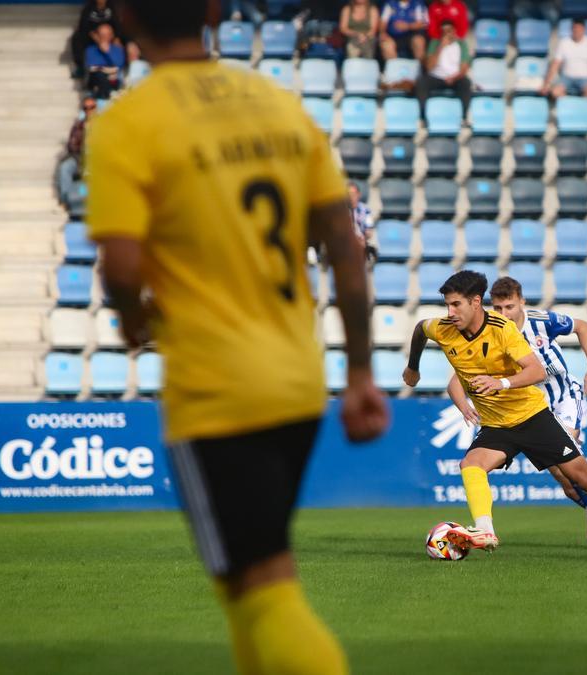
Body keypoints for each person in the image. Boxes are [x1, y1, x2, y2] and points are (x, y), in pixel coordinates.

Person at [86, 2, 391, 673]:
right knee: (243, 585)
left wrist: (135, 323)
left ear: (127, 18)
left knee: (265, 588)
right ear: (214, 13)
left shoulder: (130, 123)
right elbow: (345, 242)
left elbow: (121, 265)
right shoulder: (277, 106)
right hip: (297, 378)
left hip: (218, 385)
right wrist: (362, 371)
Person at [403, 271, 587, 559]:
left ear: (476, 302)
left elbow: (536, 370)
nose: (450, 312)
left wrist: (500, 383)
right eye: (447, 305)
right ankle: (486, 531)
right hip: (496, 425)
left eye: (456, 305)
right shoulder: (442, 328)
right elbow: (420, 329)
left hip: (532, 416)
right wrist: (413, 367)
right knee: (471, 464)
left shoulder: (502, 329)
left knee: (583, 477)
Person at [540, 19, 587, 102]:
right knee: (555, 92)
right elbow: (555, 65)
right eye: (575, 29)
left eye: (579, 29)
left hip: (585, 78)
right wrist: (546, 85)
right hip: (566, 78)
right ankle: (569, 106)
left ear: (584, 30)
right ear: (571, 29)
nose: (577, 31)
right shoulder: (564, 42)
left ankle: (580, 107)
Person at [416, 20, 472, 110]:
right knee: (422, 82)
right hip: (437, 77)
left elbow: (464, 68)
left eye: (449, 30)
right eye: (443, 31)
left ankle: (464, 117)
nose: (446, 33)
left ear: (454, 31)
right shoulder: (434, 43)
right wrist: (440, 47)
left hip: (455, 78)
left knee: (465, 82)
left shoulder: (461, 44)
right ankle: (423, 116)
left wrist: (453, 78)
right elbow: (429, 67)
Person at [58, 97, 97, 202]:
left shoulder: (103, 124)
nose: (89, 110)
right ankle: (66, 199)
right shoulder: (78, 125)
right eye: (86, 108)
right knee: (65, 168)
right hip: (80, 158)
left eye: (92, 107)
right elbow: (71, 145)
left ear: (96, 108)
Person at [71, 0, 120, 75]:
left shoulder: (111, 7)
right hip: (92, 36)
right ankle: (80, 66)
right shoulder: (88, 8)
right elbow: (83, 26)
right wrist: (96, 37)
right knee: (77, 38)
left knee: (123, 41)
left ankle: (120, 65)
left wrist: (115, 37)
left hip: (108, 35)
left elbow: (116, 24)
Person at [84, 23, 127, 98]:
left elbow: (119, 64)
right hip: (96, 79)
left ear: (111, 35)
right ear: (97, 36)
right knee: (100, 75)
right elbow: (91, 66)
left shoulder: (117, 49)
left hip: (113, 79)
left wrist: (108, 52)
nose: (104, 37)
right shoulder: (90, 50)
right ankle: (107, 97)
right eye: (102, 35)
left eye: (107, 34)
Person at [348, 182, 377, 263]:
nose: (351, 197)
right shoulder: (342, 211)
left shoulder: (366, 210)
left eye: (353, 194)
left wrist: (363, 237)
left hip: (361, 245)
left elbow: (369, 232)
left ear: (358, 194)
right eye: (348, 194)